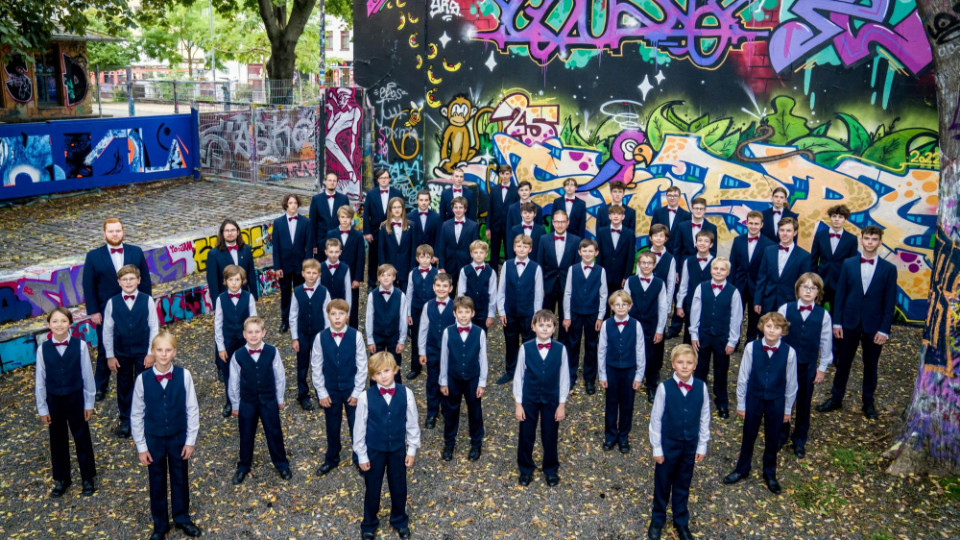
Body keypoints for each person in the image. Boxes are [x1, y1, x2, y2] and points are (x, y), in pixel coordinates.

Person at [817, 226, 897, 420]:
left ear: (879, 242)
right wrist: (837, 323)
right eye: (867, 238)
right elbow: (841, 295)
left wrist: (884, 330)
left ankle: (868, 403)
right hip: (848, 323)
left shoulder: (889, 269)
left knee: (871, 366)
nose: (870, 242)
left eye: (874, 239)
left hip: (873, 325)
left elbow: (889, 302)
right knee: (843, 363)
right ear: (861, 239)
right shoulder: (848, 264)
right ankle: (836, 398)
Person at [131, 332, 201, 540]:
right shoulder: (142, 380)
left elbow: (192, 409)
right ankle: (160, 524)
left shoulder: (184, 375)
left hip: (178, 437)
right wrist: (141, 446)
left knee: (180, 477)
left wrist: (190, 440)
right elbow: (136, 414)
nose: (163, 354)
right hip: (153, 439)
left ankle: (182, 517)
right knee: (157, 480)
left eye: (168, 350)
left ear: (175, 352)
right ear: (153, 352)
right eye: (159, 350)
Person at [723, 312, 798, 495]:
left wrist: (787, 409)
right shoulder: (751, 347)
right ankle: (742, 468)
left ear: (783, 331)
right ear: (762, 327)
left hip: (776, 400)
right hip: (754, 397)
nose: (772, 331)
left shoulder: (789, 353)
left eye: (777, 327)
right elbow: (743, 377)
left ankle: (770, 473)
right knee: (748, 434)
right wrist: (741, 403)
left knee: (773, 437)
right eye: (769, 326)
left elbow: (791, 383)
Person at [82, 217, 152, 401]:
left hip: (134, 308)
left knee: (137, 345)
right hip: (106, 311)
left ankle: (141, 384)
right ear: (104, 233)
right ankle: (100, 385)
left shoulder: (135, 252)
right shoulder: (93, 256)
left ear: (123, 231)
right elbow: (88, 285)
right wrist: (94, 311)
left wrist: (147, 306)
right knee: (105, 348)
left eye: (118, 230)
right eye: (111, 231)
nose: (115, 234)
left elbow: (144, 280)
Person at [354, 352, 420, 540]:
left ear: (395, 370)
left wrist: (412, 449)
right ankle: (369, 523)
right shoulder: (365, 397)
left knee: (399, 486)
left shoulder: (406, 393)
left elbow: (412, 423)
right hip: (374, 449)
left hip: (398, 449)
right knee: (372, 488)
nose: (383, 376)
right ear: (372, 376)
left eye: (386, 371)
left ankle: (399, 520)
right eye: (378, 373)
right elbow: (359, 429)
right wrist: (362, 455)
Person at [647, 344, 710, 540]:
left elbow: (704, 417)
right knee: (663, 482)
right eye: (680, 362)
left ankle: (680, 521)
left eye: (689, 363)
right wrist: (656, 448)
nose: (684, 366)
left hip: (689, 444)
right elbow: (656, 419)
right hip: (668, 444)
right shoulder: (664, 388)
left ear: (695, 365)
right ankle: (658, 519)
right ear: (673, 364)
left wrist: (702, 444)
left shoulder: (701, 387)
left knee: (683, 482)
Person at [36, 307, 97, 498]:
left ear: (70, 324)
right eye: (55, 321)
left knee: (82, 437)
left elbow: (87, 376)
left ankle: (87, 477)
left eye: (63, 321)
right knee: (57, 439)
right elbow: (40, 380)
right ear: (49, 325)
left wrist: (89, 403)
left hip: (75, 397)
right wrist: (42, 408)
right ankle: (62, 479)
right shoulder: (42, 349)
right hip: (54, 400)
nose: (59, 325)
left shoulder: (79, 346)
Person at [229, 316, 291, 484]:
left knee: (274, 432)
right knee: (246, 434)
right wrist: (235, 404)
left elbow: (280, 377)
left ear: (263, 333)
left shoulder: (272, 351)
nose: (254, 335)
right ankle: (243, 466)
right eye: (250, 332)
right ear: (244, 334)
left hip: (269, 399)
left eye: (257, 332)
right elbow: (233, 381)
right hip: (247, 401)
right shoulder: (238, 355)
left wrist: (280, 398)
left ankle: (282, 464)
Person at [778, 273, 833, 458]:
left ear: (818, 292)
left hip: (807, 365)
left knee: (804, 402)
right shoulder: (786, 309)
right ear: (798, 289)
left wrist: (822, 367)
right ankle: (781, 434)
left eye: (813, 288)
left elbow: (826, 342)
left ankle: (799, 439)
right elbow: (776, 335)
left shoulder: (823, 315)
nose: (808, 291)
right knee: (784, 399)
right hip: (786, 364)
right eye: (805, 287)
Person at [513, 309, 571, 487]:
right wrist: (518, 403)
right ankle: (525, 469)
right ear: (533, 327)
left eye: (548, 325)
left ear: (554, 328)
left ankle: (551, 469)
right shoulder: (526, 348)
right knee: (526, 434)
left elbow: (564, 377)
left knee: (550, 434)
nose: (544, 329)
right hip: (529, 398)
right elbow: (518, 377)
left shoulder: (560, 349)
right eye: (541, 325)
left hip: (551, 399)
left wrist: (562, 403)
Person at [312, 299, 368, 476]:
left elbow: (362, 365)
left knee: (356, 425)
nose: (337, 318)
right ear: (328, 316)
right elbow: (316, 366)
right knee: (332, 425)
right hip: (330, 390)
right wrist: (321, 392)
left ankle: (359, 458)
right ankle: (332, 458)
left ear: (347, 316)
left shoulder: (356, 336)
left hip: (351, 388)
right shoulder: (320, 337)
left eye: (341, 314)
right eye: (333, 314)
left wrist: (358, 391)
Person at [103, 264, 159, 438]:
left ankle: (149, 419)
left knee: (147, 384)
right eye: (124, 279)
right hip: (122, 353)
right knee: (124, 386)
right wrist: (110, 356)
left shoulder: (147, 300)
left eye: (132, 279)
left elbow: (154, 327)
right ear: (119, 282)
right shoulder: (112, 303)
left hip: (143, 351)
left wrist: (152, 352)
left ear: (139, 280)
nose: (128, 282)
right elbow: (107, 331)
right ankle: (126, 421)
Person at [207, 219, 259, 383]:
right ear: (222, 234)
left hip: (243, 297)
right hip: (224, 298)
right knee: (223, 330)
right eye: (226, 230)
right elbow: (212, 281)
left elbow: (251, 273)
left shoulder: (247, 249)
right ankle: (222, 366)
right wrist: (217, 303)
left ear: (238, 232)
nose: (230, 233)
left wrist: (254, 295)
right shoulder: (214, 254)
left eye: (233, 230)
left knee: (245, 328)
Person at [689, 258, 742, 419]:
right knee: (700, 369)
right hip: (703, 335)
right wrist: (694, 334)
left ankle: (722, 402)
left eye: (722, 269)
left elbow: (736, 317)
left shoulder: (733, 292)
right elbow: (695, 311)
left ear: (727, 272)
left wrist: (733, 340)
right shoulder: (701, 288)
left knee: (721, 370)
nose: (718, 271)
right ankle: (696, 401)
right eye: (716, 269)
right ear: (711, 270)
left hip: (722, 338)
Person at [439, 297, 489, 462]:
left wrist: (482, 382)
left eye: (467, 312)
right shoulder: (448, 332)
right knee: (451, 411)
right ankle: (449, 443)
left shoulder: (479, 332)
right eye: (460, 312)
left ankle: (476, 443)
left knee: (475, 410)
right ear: (454, 313)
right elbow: (444, 357)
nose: (463, 315)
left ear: (473, 313)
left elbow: (483, 358)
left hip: (472, 378)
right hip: (453, 378)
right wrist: (443, 381)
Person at [597, 291, 645, 454]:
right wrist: (602, 374)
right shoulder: (606, 324)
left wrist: (639, 375)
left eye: (624, 304)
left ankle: (623, 436)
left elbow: (640, 351)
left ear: (630, 306)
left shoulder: (636, 325)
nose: (621, 307)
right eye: (617, 304)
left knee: (627, 404)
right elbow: (602, 350)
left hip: (629, 370)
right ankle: (610, 435)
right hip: (611, 369)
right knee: (611, 403)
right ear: (611, 306)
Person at [562, 238, 608, 394]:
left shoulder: (601, 271)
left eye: (591, 251)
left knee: (591, 345)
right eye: (585, 251)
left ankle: (589, 378)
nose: (588, 254)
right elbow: (568, 293)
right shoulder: (572, 269)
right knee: (572, 344)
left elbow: (603, 295)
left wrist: (601, 317)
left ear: (596, 253)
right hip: (575, 312)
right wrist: (567, 316)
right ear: (579, 252)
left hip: (592, 314)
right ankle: (570, 376)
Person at [497, 235, 544, 385]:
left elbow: (538, 294)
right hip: (510, 311)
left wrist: (536, 316)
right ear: (513, 248)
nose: (521, 249)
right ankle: (510, 370)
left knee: (528, 342)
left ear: (530, 249)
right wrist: (502, 311)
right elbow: (501, 289)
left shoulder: (536, 268)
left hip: (528, 313)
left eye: (525, 246)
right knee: (510, 341)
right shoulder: (507, 265)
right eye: (519, 246)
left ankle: (528, 370)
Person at [624, 252, 669, 403]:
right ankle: (631, 381)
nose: (646, 266)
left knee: (651, 355)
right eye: (643, 262)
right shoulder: (631, 281)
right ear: (638, 264)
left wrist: (659, 329)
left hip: (651, 324)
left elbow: (663, 307)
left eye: (649, 263)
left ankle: (651, 385)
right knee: (631, 352)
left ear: (654, 265)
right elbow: (624, 303)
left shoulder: (659, 283)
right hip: (634, 323)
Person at [213, 265, 258, 418]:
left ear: (242, 281)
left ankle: (248, 399)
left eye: (237, 280)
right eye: (230, 280)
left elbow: (254, 320)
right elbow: (218, 324)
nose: (234, 283)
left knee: (247, 370)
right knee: (228, 373)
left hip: (245, 342)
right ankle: (230, 401)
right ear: (225, 281)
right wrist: (220, 347)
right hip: (228, 341)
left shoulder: (248, 297)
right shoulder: (221, 299)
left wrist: (253, 343)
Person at [290, 259, 332, 410]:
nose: (311, 276)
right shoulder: (297, 292)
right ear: (303, 273)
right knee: (302, 365)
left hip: (318, 333)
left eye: (314, 273)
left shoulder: (323, 292)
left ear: (319, 274)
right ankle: (303, 395)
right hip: (302, 334)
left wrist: (327, 335)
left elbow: (327, 314)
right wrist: (295, 337)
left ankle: (322, 394)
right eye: (308, 272)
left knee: (320, 363)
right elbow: (293, 315)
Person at [417, 273, 456, 429]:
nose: (441, 289)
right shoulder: (428, 306)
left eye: (445, 286)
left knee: (449, 381)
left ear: (451, 288)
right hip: (432, 350)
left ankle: (447, 410)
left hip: (450, 353)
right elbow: (423, 330)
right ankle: (432, 412)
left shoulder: (455, 306)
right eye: (438, 286)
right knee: (432, 381)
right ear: (434, 287)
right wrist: (422, 351)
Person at [754, 217, 811, 316]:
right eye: (782, 230)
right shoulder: (768, 251)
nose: (784, 233)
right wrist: (757, 300)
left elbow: (803, 284)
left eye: (788, 231)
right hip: (768, 301)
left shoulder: (804, 256)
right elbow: (762, 277)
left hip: (790, 303)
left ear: (795, 233)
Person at [730, 211, 772, 344]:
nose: (753, 226)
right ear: (746, 223)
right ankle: (734, 340)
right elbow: (733, 264)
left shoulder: (768, 244)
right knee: (736, 315)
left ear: (762, 225)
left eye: (756, 224)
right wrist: (731, 287)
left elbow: (767, 270)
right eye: (751, 223)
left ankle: (751, 341)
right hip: (739, 284)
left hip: (757, 286)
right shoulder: (738, 241)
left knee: (755, 317)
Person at [273, 193, 313, 333]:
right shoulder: (278, 223)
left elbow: (309, 246)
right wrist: (277, 266)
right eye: (290, 203)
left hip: (300, 265)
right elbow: (276, 247)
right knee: (285, 294)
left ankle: (300, 319)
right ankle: (285, 321)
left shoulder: (305, 222)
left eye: (295, 203)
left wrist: (307, 266)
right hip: (284, 265)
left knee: (299, 292)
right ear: (286, 205)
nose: (293, 205)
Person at [809, 204, 857, 308]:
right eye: (834, 216)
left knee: (837, 312)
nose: (837, 219)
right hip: (821, 281)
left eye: (840, 217)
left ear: (845, 219)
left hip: (840, 282)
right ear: (830, 217)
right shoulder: (820, 235)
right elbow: (813, 258)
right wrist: (814, 278)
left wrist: (847, 282)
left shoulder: (852, 239)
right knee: (816, 309)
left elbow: (852, 264)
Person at [365, 264, 408, 380]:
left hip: (394, 336)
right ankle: (375, 393)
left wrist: (401, 340)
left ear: (394, 277)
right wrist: (370, 340)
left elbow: (403, 320)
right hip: (377, 336)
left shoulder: (401, 296)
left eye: (389, 275)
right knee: (375, 366)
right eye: (382, 275)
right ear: (378, 278)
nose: (386, 278)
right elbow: (369, 318)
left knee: (395, 366)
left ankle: (396, 392)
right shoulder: (372, 296)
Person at [363, 168, 403, 288]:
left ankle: (393, 281)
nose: (384, 180)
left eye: (386, 178)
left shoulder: (397, 193)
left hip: (392, 230)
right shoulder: (371, 194)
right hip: (375, 231)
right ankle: (371, 283)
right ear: (378, 180)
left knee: (391, 256)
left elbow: (402, 212)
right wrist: (366, 232)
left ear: (389, 179)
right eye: (381, 178)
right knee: (374, 258)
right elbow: (366, 214)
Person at [537, 208, 581, 315]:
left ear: (568, 222)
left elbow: (577, 266)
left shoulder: (576, 241)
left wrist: (574, 287)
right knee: (546, 316)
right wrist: (540, 285)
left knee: (565, 318)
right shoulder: (543, 239)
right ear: (552, 222)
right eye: (557, 222)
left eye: (562, 222)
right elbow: (540, 263)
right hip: (547, 285)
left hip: (567, 285)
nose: (560, 225)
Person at [675, 230, 715, 344]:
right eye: (700, 240)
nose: (702, 243)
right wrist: (679, 305)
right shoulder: (689, 261)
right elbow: (683, 285)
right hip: (691, 304)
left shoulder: (715, 262)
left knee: (704, 337)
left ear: (711, 245)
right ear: (695, 243)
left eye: (706, 241)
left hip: (708, 304)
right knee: (689, 335)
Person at [328, 205, 365, 328]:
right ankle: (333, 327)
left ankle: (353, 330)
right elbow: (328, 255)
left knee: (352, 305)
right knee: (334, 302)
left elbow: (361, 258)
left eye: (347, 217)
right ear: (338, 218)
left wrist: (357, 278)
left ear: (351, 219)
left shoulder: (358, 235)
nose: (345, 220)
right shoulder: (331, 234)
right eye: (342, 217)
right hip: (335, 274)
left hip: (352, 274)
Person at [405, 245, 437, 380]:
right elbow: (409, 294)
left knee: (433, 337)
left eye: (427, 257)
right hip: (417, 310)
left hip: (431, 311)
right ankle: (415, 367)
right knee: (416, 338)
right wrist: (408, 313)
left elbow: (439, 293)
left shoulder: (437, 274)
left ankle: (433, 365)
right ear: (417, 259)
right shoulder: (413, 273)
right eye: (422, 257)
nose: (425, 260)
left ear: (431, 258)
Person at [596, 204, 636, 297]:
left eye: (619, 214)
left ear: (623, 216)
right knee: (604, 303)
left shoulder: (630, 234)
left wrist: (627, 276)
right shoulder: (601, 232)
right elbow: (599, 255)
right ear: (609, 216)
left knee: (619, 303)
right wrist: (599, 274)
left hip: (621, 277)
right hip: (605, 275)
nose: (616, 216)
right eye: (613, 214)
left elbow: (630, 256)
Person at [378, 197, 416, 292]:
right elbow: (381, 250)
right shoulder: (384, 227)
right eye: (394, 207)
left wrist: (412, 269)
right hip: (389, 268)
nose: (397, 209)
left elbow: (413, 249)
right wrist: (383, 270)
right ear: (390, 210)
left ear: (403, 209)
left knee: (406, 295)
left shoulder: (411, 226)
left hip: (406, 268)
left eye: (399, 207)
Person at [437, 197, 480, 280]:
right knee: (449, 291)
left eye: (461, 207)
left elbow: (475, 248)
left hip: (466, 264)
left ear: (465, 209)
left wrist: (472, 265)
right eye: (456, 207)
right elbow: (442, 247)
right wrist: (441, 266)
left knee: (465, 291)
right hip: (449, 265)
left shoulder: (473, 226)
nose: (458, 210)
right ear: (452, 209)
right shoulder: (445, 225)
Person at [457, 240, 497, 329]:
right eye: (475, 252)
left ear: (486, 254)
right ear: (471, 254)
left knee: (481, 335)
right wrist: (461, 311)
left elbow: (493, 295)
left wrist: (491, 315)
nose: (478, 255)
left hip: (483, 311)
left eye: (481, 252)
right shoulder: (465, 271)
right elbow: (461, 293)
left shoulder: (491, 272)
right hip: (467, 310)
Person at [487, 164, 520, 269]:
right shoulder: (494, 190)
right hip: (495, 227)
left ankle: (508, 277)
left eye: (507, 174)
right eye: (503, 173)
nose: (505, 176)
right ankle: (493, 279)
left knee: (509, 253)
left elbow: (517, 211)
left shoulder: (516, 190)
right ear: (500, 174)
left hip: (509, 227)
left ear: (511, 174)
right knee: (494, 255)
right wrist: (488, 227)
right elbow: (490, 209)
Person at [310, 172, 350, 256]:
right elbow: (312, 223)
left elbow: (347, 221)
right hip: (321, 242)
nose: (332, 182)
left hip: (339, 241)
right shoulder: (316, 199)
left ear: (337, 183)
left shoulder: (344, 199)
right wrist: (313, 244)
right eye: (330, 180)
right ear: (325, 182)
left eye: (334, 181)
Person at [650, 186, 690, 256]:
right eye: (670, 195)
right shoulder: (658, 212)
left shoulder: (686, 215)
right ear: (666, 196)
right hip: (660, 251)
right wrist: (651, 251)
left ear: (679, 197)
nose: (672, 198)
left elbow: (686, 237)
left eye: (675, 196)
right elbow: (652, 232)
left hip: (678, 254)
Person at [319, 237, 353, 312]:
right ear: (326, 252)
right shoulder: (320, 267)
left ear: (340, 252)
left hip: (340, 307)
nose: (334, 255)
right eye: (331, 252)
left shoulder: (345, 268)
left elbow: (348, 291)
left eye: (336, 252)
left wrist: (348, 311)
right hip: (323, 307)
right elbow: (317, 289)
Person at [408, 190, 441, 255]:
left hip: (431, 255)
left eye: (426, 200)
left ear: (429, 201)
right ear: (417, 200)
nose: (423, 203)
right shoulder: (409, 217)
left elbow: (438, 238)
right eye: (421, 200)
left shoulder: (436, 217)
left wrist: (436, 255)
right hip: (414, 255)